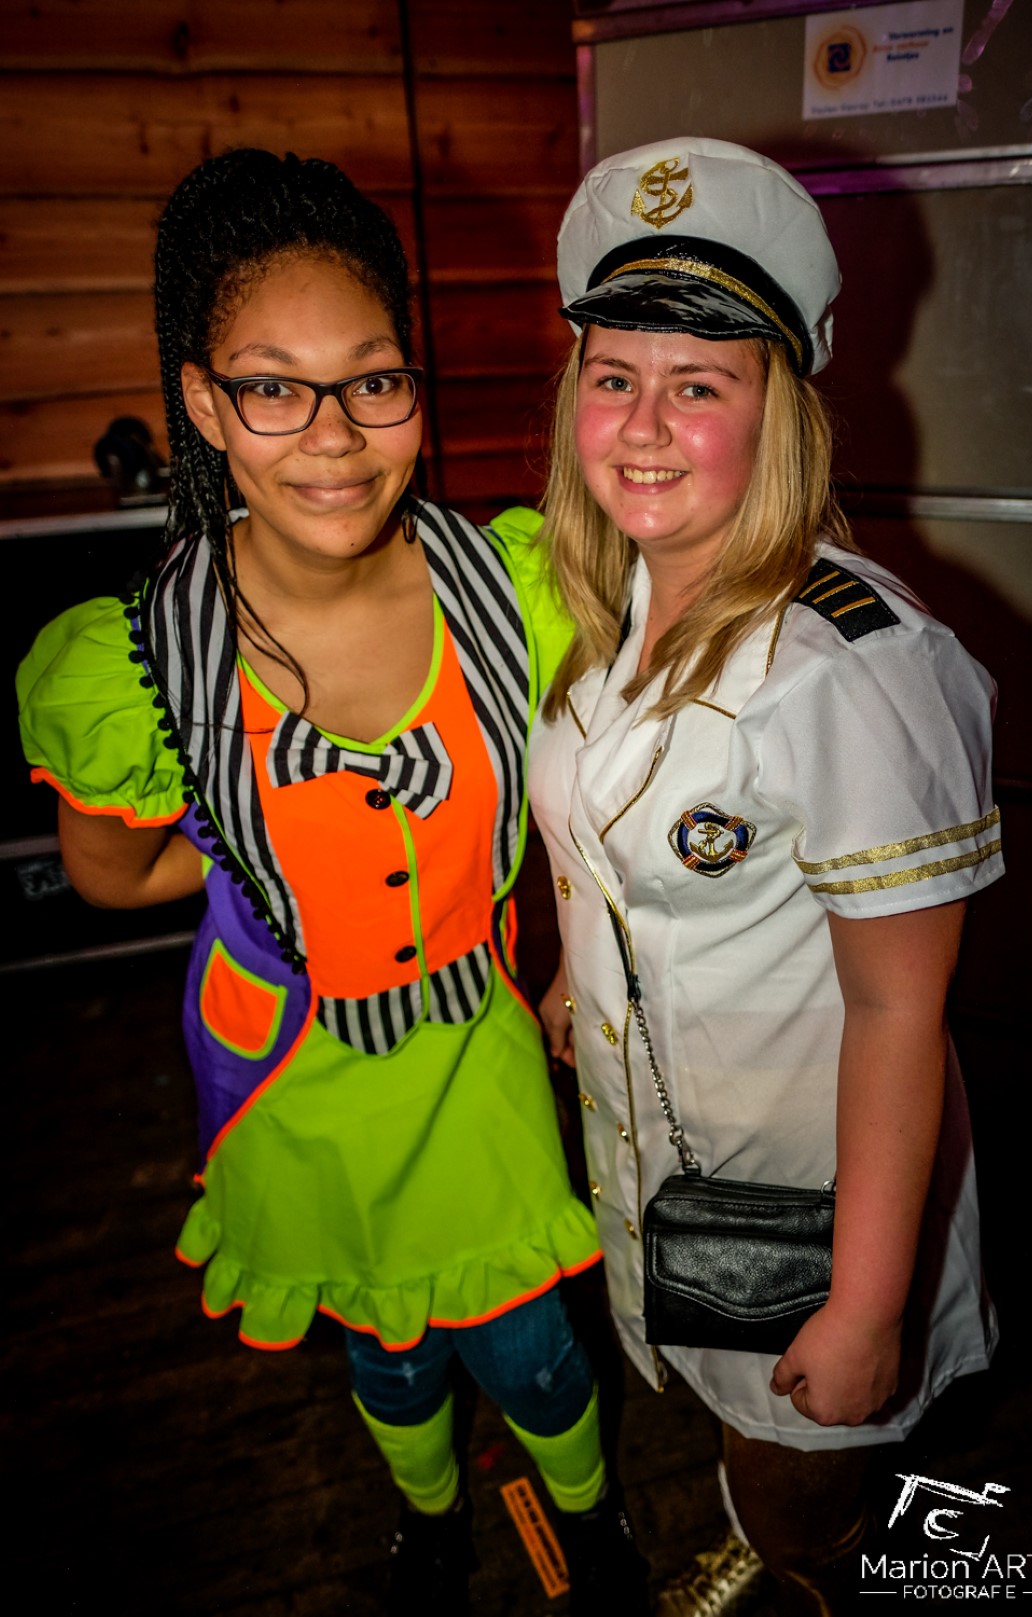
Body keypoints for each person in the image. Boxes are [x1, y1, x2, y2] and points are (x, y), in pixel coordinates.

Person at [17, 148, 649, 1615]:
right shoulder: (135, 667)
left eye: (372, 381)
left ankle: (597, 1524)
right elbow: (117, 877)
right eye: (272, 387)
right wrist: (267, 845)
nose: (335, 436)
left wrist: (576, 959)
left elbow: (608, 789)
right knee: (388, 1349)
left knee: (530, 1348)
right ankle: (429, 1528)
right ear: (200, 403)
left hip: (472, 1058)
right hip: (293, 1071)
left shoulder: (519, 587)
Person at [529, 137, 1004, 1616]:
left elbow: (898, 1010)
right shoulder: (618, 603)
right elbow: (617, 851)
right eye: (615, 375)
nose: (643, 425)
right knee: (750, 1441)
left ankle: (859, 1567)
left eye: (701, 384)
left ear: (778, 411)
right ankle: (785, 1528)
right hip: (679, 1179)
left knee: (819, 1497)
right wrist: (579, 977)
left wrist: (865, 1308)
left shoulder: (852, 665)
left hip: (812, 1212)